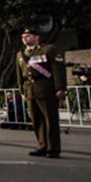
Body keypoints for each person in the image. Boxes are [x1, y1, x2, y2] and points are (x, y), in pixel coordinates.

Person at [16, 28, 66, 158]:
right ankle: (42, 146)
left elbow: (57, 70)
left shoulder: (48, 50)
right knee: (36, 120)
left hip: (46, 88)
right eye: (23, 36)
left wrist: (60, 88)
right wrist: (21, 90)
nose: (24, 38)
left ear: (36, 37)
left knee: (50, 119)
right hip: (30, 90)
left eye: (28, 35)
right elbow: (19, 75)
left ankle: (53, 148)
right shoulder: (21, 54)